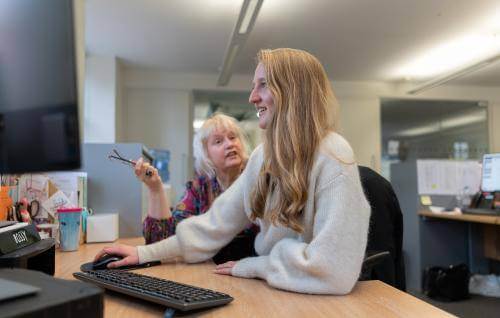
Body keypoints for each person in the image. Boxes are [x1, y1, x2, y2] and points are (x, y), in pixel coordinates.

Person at [95, 48, 371, 295]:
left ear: (293, 90)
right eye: (254, 86)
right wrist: (143, 253)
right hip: (277, 289)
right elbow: (213, 226)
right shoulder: (264, 157)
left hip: (314, 300)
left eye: (263, 85)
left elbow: (334, 272)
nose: (252, 97)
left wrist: (257, 265)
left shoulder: (333, 155)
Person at [135, 113, 258, 263]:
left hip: (254, 272)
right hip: (211, 273)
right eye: (218, 141)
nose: (229, 144)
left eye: (232, 137)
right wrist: (155, 188)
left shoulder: (258, 179)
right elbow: (164, 240)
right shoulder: (199, 188)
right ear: (206, 154)